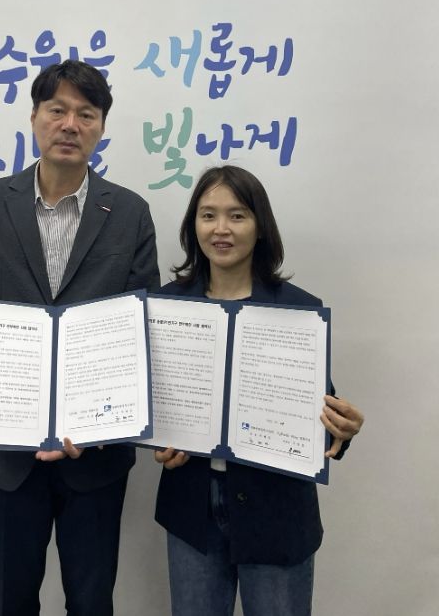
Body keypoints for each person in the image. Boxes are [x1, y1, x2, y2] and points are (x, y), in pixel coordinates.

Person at [0, 60, 160, 616]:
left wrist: (105, 422)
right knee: (10, 602)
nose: (70, 125)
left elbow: (140, 325)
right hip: (4, 459)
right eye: (57, 110)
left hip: (95, 460)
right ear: (34, 117)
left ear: (101, 127)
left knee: (92, 603)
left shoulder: (130, 212)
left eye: (86, 114)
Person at [154, 165, 363, 616]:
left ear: (260, 226)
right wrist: (159, 441)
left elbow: (316, 412)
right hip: (192, 511)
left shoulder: (299, 310)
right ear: (193, 225)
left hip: (277, 514)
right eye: (208, 215)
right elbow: (156, 404)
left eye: (237, 215)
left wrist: (341, 430)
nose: (221, 229)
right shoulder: (167, 305)